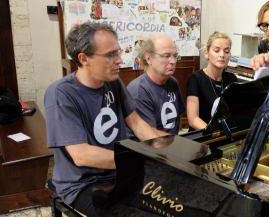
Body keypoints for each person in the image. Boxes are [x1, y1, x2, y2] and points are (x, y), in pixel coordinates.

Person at [44, 22, 167, 216]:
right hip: (83, 184)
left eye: (118, 53)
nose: (119, 60)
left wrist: (165, 150)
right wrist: (140, 161)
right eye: (111, 55)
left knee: (174, 202)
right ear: (84, 58)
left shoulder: (113, 82)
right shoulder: (61, 93)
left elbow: (136, 123)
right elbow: (81, 154)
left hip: (119, 172)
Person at [126, 35, 185, 135]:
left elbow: (177, 120)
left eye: (175, 56)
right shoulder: (139, 90)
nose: (173, 61)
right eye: (166, 56)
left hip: (170, 144)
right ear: (148, 58)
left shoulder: (172, 82)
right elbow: (150, 137)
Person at [186, 31, 237, 130]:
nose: (222, 55)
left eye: (226, 51)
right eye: (217, 50)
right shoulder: (195, 79)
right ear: (206, 53)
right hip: (204, 136)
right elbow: (193, 119)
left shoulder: (232, 79)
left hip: (225, 136)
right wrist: (213, 133)